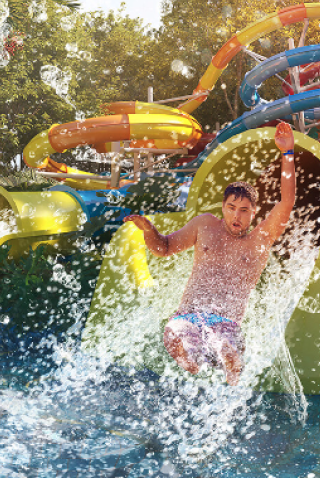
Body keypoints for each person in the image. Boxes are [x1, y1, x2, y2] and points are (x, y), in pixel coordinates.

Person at [124, 122, 297, 386]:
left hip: (226, 324)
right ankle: (197, 369)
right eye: (231, 207)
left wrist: (287, 154)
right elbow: (165, 248)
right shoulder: (205, 225)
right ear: (223, 206)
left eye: (244, 210)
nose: (236, 216)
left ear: (254, 212)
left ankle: (231, 378)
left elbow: (287, 202)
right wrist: (149, 231)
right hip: (188, 318)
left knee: (224, 346)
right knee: (176, 337)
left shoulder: (260, 239)